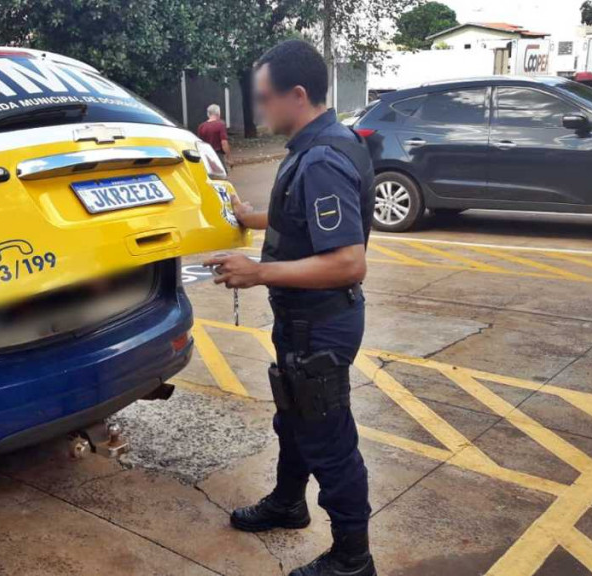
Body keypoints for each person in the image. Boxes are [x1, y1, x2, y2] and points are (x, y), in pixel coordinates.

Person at [203, 39, 376, 576]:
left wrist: (258, 272)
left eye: (265, 99)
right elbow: (296, 219)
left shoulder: (322, 158)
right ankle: (288, 503)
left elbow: (348, 261)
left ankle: (353, 558)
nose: (259, 111)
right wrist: (248, 216)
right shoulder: (319, 144)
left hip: (322, 322)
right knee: (294, 420)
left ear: (297, 95)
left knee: (330, 440)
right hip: (304, 320)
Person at [197, 103, 232, 172]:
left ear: (208, 114)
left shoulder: (201, 126)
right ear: (218, 113)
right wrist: (229, 158)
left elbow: (199, 144)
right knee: (221, 175)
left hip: (206, 155)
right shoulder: (220, 125)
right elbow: (224, 143)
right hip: (218, 155)